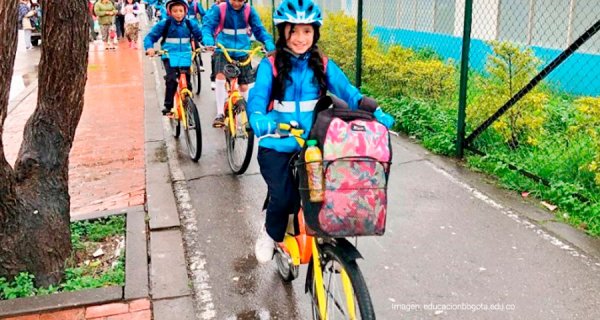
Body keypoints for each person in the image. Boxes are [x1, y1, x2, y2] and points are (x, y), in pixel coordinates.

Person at [246, 0, 395, 263]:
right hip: (277, 144)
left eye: (307, 31)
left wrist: (375, 111)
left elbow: (349, 93)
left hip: (314, 142)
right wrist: (258, 117)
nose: (300, 38)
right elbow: (257, 98)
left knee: (331, 190)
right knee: (284, 198)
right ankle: (270, 233)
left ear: (315, 33)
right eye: (294, 31)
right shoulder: (270, 66)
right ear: (283, 32)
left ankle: (331, 245)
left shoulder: (324, 65)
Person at [201, 0, 275, 128]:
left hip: (242, 50)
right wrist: (208, 40)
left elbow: (259, 29)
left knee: (244, 87)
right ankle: (220, 114)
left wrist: (268, 42)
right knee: (220, 76)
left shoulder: (249, 11)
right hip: (224, 49)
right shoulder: (221, 9)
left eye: (240, 0)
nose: (237, 3)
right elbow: (208, 26)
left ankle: (247, 114)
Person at [144, 0, 203, 115]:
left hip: (185, 55)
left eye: (181, 11)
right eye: (175, 11)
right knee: (171, 79)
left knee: (187, 82)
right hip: (169, 55)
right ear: (170, 12)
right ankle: (169, 105)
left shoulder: (190, 24)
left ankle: (187, 104)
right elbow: (150, 37)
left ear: (185, 11)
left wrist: (208, 44)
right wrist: (149, 48)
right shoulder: (164, 24)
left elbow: (200, 36)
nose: (178, 14)